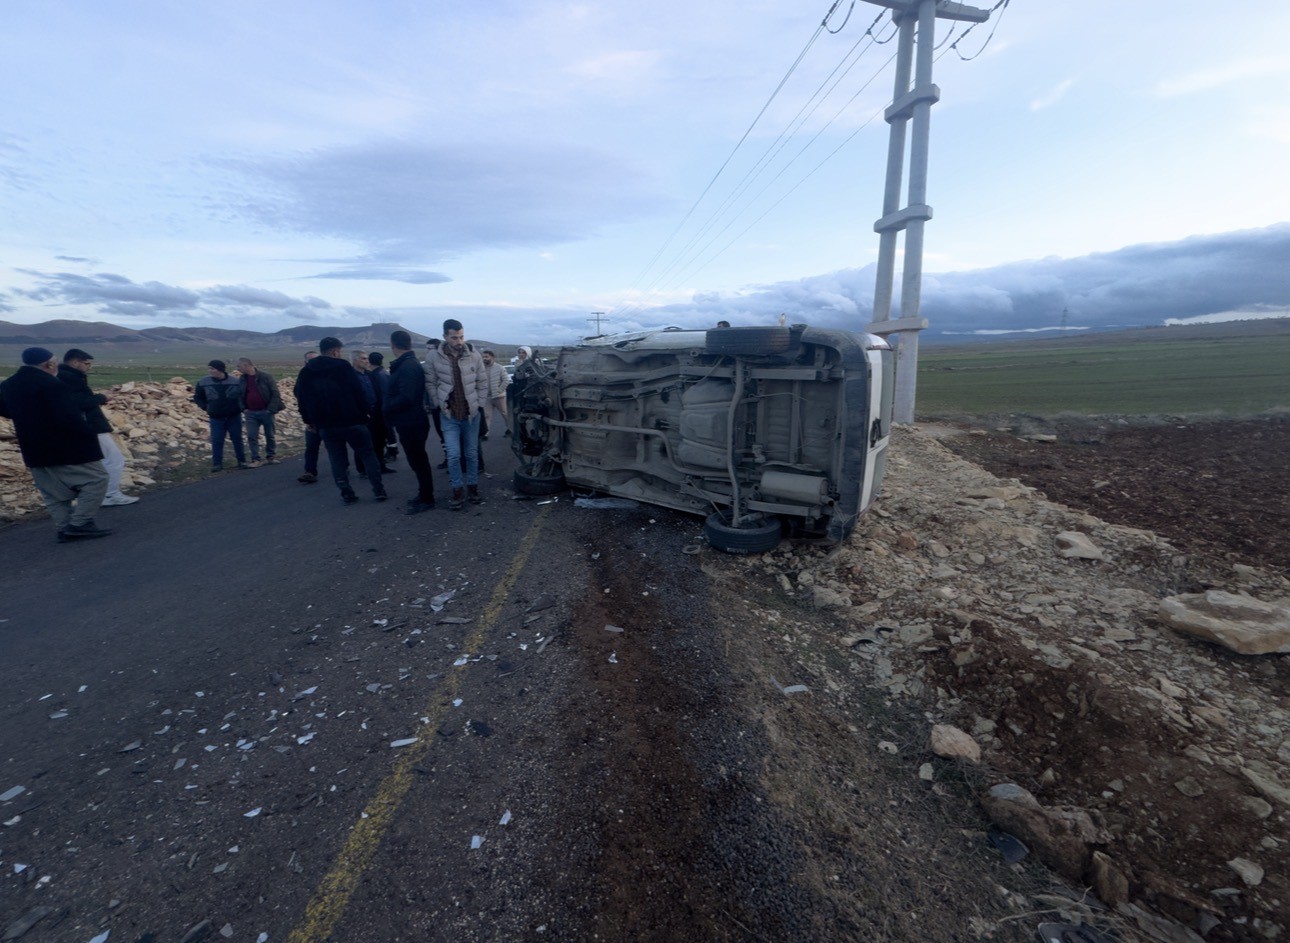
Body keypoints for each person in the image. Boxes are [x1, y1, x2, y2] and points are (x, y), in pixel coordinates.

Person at [0, 347, 111, 541]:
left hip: (33, 446)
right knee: (97, 479)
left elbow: (6, 410)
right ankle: (80, 523)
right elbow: (68, 417)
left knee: (53, 492)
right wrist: (88, 432)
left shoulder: (8, 384)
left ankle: (64, 527)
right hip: (66, 446)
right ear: (49, 364)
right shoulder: (52, 384)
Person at [293, 337, 386, 505]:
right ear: (335, 351)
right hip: (352, 421)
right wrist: (365, 414)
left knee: (336, 458)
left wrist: (309, 420)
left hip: (326, 424)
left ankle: (346, 493)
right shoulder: (343, 367)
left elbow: (301, 397)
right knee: (367, 454)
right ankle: (379, 490)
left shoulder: (307, 371)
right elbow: (358, 392)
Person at [58, 348, 139, 506]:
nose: (89, 367)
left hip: (84, 425)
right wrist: (102, 397)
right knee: (115, 459)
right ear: (75, 362)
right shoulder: (70, 378)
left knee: (97, 462)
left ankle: (96, 494)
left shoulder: (68, 376)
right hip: (90, 425)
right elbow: (79, 403)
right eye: (87, 363)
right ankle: (109, 495)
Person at [424, 318, 488, 510]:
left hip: (471, 414)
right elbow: (431, 383)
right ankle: (457, 490)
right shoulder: (434, 358)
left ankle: (473, 487)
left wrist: (479, 404)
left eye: (461, 337)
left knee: (471, 453)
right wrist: (438, 403)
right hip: (449, 415)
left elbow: (482, 381)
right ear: (445, 337)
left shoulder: (473, 355)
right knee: (453, 455)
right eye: (454, 337)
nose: (459, 341)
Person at [386, 330, 437, 513]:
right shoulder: (409, 363)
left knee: (418, 460)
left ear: (393, 345)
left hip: (411, 421)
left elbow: (407, 396)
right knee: (416, 460)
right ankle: (423, 494)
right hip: (410, 420)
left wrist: (388, 405)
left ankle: (427, 498)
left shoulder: (407, 366)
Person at [193, 359, 248, 472]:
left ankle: (242, 461)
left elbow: (242, 395)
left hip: (234, 416)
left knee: (237, 439)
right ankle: (217, 464)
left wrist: (241, 407)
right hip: (216, 417)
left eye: (213, 368)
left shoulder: (235, 381)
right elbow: (198, 397)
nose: (211, 371)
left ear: (220, 370)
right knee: (217, 440)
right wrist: (206, 407)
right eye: (210, 369)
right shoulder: (203, 382)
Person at [235, 357, 284, 466]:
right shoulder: (243, 379)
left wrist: (270, 409)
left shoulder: (265, 376)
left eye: (239, 366)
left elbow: (275, 393)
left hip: (266, 411)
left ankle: (271, 456)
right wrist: (244, 408)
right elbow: (240, 394)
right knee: (251, 435)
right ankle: (256, 459)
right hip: (250, 413)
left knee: (269, 434)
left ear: (246, 365)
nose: (237, 368)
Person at [366, 351, 395, 466]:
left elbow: (383, 393)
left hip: (382, 408)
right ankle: (391, 449)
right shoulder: (384, 373)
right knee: (389, 430)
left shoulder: (378, 375)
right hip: (386, 407)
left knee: (387, 430)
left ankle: (392, 451)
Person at [298, 351, 322, 483]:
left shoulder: (328, 374)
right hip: (312, 419)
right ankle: (310, 471)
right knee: (311, 447)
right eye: (311, 360)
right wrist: (307, 420)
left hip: (329, 419)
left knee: (335, 447)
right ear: (305, 362)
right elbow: (301, 398)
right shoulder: (304, 376)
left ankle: (342, 468)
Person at [481, 349, 510, 438]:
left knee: (505, 414)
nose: (484, 358)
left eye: (486, 356)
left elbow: (506, 381)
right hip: (487, 397)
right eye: (483, 357)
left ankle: (511, 429)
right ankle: (485, 434)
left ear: (492, 357)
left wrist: (499, 390)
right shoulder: (481, 368)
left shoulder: (500, 368)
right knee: (486, 415)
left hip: (499, 397)